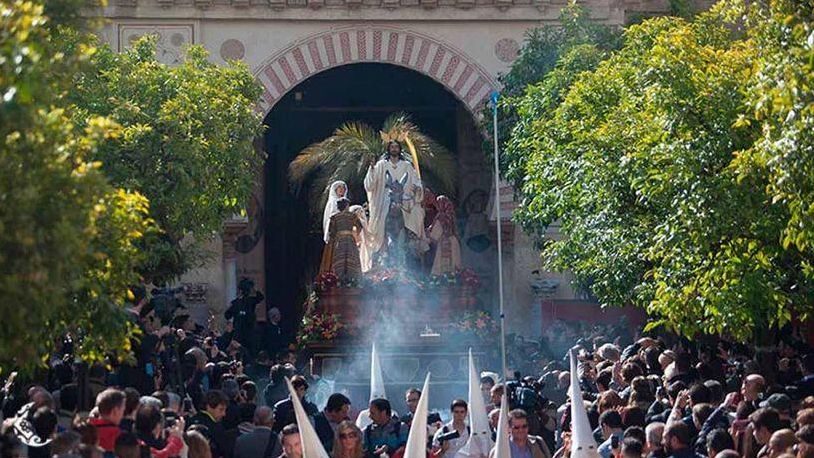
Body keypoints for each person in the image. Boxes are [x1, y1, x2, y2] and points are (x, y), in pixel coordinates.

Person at [364, 139, 425, 268]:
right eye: (392, 147)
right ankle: (383, 259)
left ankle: (412, 243)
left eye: (396, 147)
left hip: (403, 200)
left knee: (416, 213)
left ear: (399, 149)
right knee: (382, 225)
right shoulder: (381, 165)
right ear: (388, 149)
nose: (394, 149)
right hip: (385, 201)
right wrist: (372, 169)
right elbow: (370, 184)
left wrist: (418, 189)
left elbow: (415, 181)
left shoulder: (407, 165)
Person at [324, 198, 363, 282]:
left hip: (339, 240)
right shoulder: (352, 216)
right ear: (346, 206)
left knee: (339, 259)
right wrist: (354, 234)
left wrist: (335, 238)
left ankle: (339, 280)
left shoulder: (334, 217)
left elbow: (332, 232)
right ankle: (352, 280)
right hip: (350, 240)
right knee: (351, 258)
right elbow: (359, 226)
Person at [224, 278, 265, 355]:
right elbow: (260, 297)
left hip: (240, 334)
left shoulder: (235, 303)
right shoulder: (251, 301)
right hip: (250, 333)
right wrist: (254, 289)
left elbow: (227, 315)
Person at [187, 390, 232, 458]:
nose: (224, 414)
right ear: (209, 407)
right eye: (221, 409)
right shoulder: (216, 428)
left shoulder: (190, 421)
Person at [427, 195, 462, 275]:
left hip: (444, 243)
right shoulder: (451, 215)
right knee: (454, 267)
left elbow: (434, 236)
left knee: (441, 270)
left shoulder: (441, 217)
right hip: (454, 242)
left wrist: (427, 234)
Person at [89, 388, 126, 453]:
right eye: (123, 410)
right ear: (115, 411)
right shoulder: (119, 436)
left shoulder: (86, 430)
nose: (123, 415)